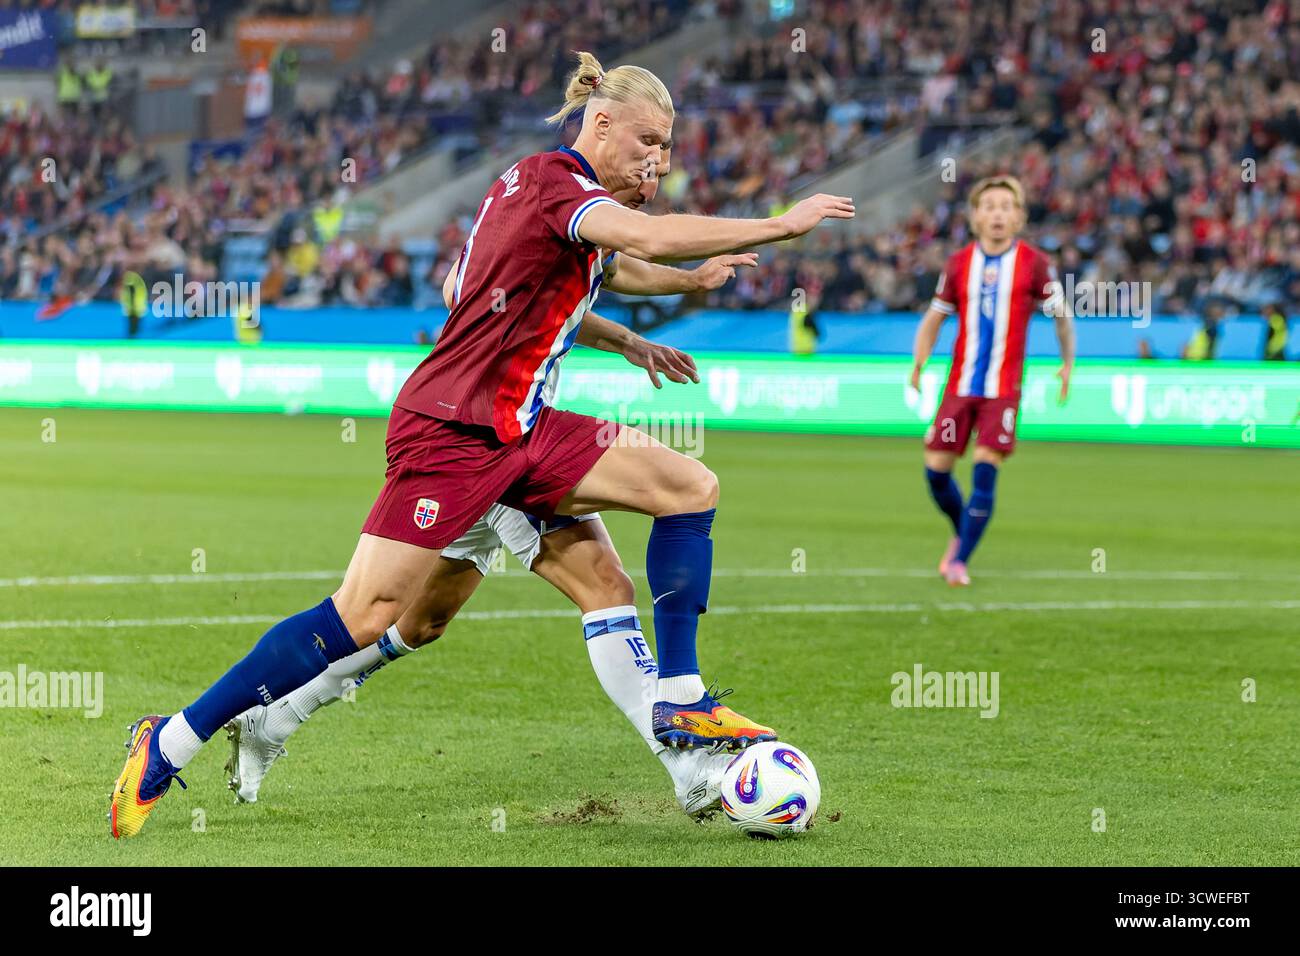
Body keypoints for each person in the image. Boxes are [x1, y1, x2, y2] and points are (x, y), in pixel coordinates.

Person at [109, 50, 854, 837]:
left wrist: (668, 305)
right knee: (368, 612)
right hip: (456, 433)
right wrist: (782, 223)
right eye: (648, 142)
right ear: (600, 124)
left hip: (525, 430)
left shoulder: (535, 194)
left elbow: (588, 272)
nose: (659, 160)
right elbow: (645, 239)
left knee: (681, 494)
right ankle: (172, 738)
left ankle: (681, 705)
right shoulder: (558, 184)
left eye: (667, 147)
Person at [226, 162, 758, 817]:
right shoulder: (544, 206)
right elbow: (470, 286)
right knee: (606, 589)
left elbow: (618, 271)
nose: (649, 178)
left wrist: (675, 295)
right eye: (647, 150)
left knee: (420, 623)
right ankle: (688, 765)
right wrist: (635, 324)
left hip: (496, 433)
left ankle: (271, 721)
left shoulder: (550, 216)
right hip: (495, 438)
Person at [910, 175, 1074, 587]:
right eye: (989, 206)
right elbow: (934, 317)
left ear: (1019, 217)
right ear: (974, 217)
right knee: (936, 473)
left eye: (1006, 206)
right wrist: (919, 361)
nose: (998, 213)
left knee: (985, 469)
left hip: (1002, 390)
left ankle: (960, 560)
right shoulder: (960, 263)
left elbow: (1061, 316)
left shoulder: (1035, 263)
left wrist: (1067, 362)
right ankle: (961, 530)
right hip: (959, 385)